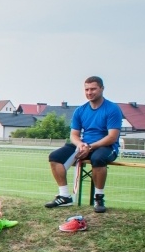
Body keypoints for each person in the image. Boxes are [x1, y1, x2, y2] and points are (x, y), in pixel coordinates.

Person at [44, 76, 123, 213]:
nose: (89, 92)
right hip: (85, 145)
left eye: (93, 89)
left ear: (102, 89)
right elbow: (74, 135)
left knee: (97, 158)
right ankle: (64, 196)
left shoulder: (112, 109)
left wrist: (90, 147)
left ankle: (98, 198)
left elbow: (112, 137)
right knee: (54, 157)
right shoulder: (80, 110)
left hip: (107, 147)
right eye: (87, 89)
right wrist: (81, 145)